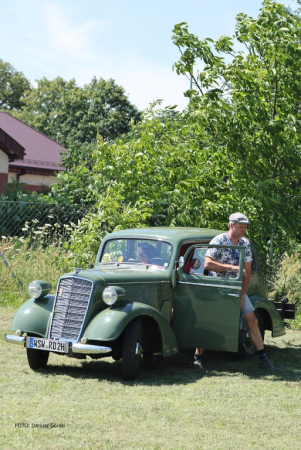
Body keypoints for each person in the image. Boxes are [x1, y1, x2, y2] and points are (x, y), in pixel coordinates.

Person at [193, 212, 275, 372]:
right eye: (241, 226)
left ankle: (262, 358)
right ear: (232, 226)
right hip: (218, 288)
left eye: (245, 227)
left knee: (252, 321)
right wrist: (231, 267)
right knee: (211, 321)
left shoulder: (245, 243)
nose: (244, 230)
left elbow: (247, 271)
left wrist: (242, 296)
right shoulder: (219, 240)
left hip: (237, 289)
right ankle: (197, 359)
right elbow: (207, 264)